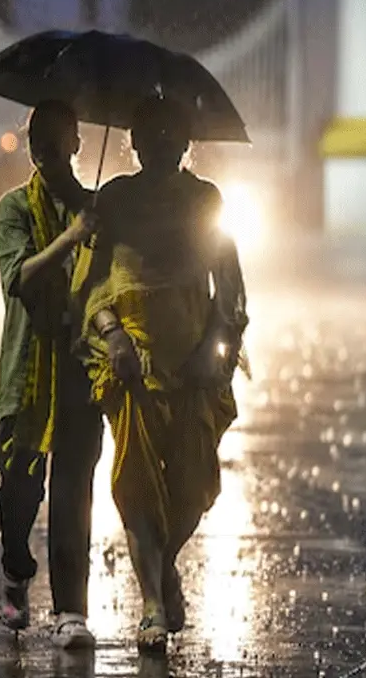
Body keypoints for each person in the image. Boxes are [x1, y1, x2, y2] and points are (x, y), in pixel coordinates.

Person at [72, 95, 248, 653]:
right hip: (131, 369)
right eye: (151, 135)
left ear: (185, 143)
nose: (162, 144)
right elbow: (90, 285)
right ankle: (151, 604)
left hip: (195, 369)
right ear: (136, 143)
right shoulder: (114, 200)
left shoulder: (206, 200)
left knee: (193, 488)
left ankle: (163, 565)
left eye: (172, 134)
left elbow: (232, 290)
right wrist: (114, 334)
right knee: (137, 486)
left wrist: (214, 348)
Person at [0, 100, 101, 648]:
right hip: (26, 372)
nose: (49, 149)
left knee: (73, 490)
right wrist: (70, 239)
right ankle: (15, 569)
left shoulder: (97, 210)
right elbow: (21, 277)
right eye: (41, 139)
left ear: (77, 143)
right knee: (18, 489)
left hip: (79, 370)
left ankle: (70, 609)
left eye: (60, 137)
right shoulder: (13, 209)